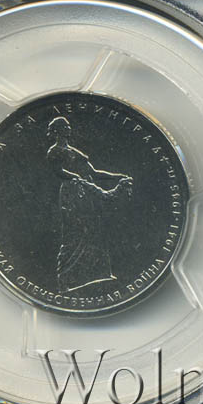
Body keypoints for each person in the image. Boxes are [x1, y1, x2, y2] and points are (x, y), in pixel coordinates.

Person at [46, 116, 133, 293]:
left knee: (93, 229)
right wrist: (76, 178)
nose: (69, 128)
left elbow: (94, 172)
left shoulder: (74, 151)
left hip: (86, 192)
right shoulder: (54, 151)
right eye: (65, 126)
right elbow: (58, 171)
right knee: (74, 232)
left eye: (68, 125)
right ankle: (65, 279)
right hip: (72, 193)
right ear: (57, 130)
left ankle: (95, 274)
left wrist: (116, 177)